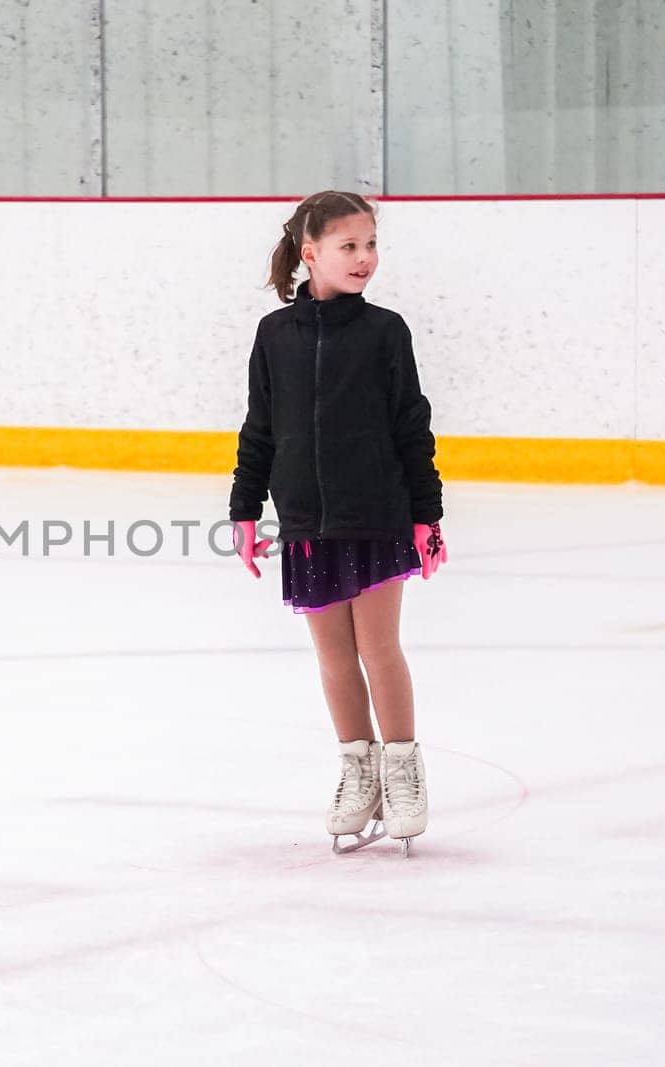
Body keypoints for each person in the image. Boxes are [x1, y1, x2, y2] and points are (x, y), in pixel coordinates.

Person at [227, 190, 447, 854]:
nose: (365, 259)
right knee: (333, 657)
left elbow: (412, 426)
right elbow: (260, 428)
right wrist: (244, 506)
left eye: (371, 244)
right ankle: (358, 771)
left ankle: (403, 771)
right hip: (305, 519)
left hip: (377, 513)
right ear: (310, 252)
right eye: (349, 246)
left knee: (379, 649)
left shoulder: (386, 332)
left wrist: (425, 515)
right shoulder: (274, 335)